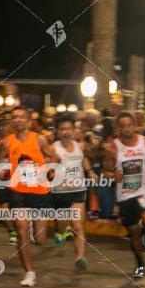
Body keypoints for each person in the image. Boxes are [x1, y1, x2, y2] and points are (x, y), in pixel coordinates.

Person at [0, 106, 58, 287]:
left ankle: (31, 230)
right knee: (21, 231)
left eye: (22, 117)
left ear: (29, 121)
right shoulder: (6, 143)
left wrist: (50, 170)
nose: (18, 120)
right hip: (18, 192)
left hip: (40, 192)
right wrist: (2, 171)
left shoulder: (39, 139)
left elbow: (55, 157)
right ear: (12, 121)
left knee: (40, 239)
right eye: (15, 117)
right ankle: (29, 272)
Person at [106, 111, 145, 278]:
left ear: (135, 125)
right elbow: (105, 169)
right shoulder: (112, 147)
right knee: (133, 232)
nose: (127, 129)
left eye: (130, 125)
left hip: (144, 189)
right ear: (118, 129)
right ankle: (140, 262)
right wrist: (112, 175)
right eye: (123, 126)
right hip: (125, 194)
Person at [51, 113, 96, 274]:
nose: (65, 132)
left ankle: (80, 258)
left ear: (73, 129)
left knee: (78, 225)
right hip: (59, 192)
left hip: (78, 190)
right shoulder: (53, 148)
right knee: (63, 225)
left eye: (68, 128)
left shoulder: (80, 146)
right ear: (57, 131)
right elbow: (48, 169)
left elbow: (83, 159)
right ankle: (62, 232)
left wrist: (90, 172)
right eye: (62, 129)